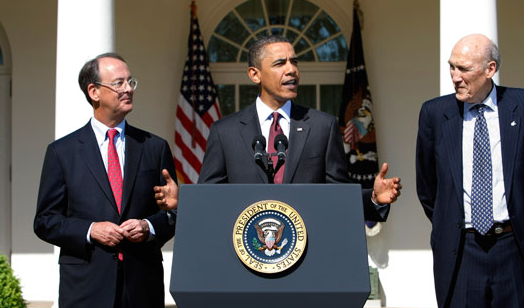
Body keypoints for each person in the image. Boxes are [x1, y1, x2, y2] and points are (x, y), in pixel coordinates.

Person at [156, 35, 401, 221]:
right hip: (246, 258)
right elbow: (209, 199)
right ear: (255, 74)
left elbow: (339, 195)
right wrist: (182, 203)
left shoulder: (322, 127)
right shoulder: (225, 132)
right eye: (280, 63)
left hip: (306, 258)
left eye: (294, 62)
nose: (291, 69)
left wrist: (373, 198)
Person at [34, 53, 177, 308]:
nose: (128, 89)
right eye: (119, 83)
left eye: (130, 81)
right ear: (94, 91)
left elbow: (172, 215)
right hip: (85, 293)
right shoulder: (63, 152)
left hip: (141, 293)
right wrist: (90, 230)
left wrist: (148, 228)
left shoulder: (154, 148)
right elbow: (45, 221)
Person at [416, 34, 524, 308]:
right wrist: (453, 223)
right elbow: (428, 187)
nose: (454, 77)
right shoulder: (434, 114)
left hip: (515, 249)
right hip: (462, 252)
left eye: (463, 69)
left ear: (490, 69)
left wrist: (516, 219)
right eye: (451, 68)